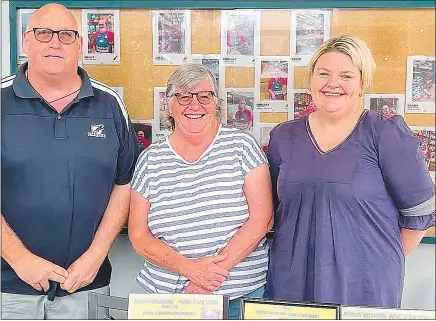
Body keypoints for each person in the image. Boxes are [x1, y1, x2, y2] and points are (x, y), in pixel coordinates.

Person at [265, 35, 435, 308]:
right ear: (311, 79)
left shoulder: (385, 134)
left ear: (362, 83)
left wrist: (378, 261)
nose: (333, 83)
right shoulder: (284, 137)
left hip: (363, 289)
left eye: (346, 75)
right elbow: (270, 209)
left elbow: (420, 213)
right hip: (292, 283)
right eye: (324, 73)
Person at [1, 4, 138, 319]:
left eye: (66, 35)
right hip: (8, 290)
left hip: (86, 287)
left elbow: (125, 183)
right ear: (26, 42)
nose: (54, 43)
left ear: (80, 45)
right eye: (43, 33)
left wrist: (96, 255)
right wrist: (20, 258)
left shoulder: (110, 105)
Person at [129, 63, 273, 320]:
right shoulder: (150, 159)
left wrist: (206, 279)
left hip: (238, 297)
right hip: (169, 302)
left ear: (215, 103)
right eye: (183, 96)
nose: (194, 105)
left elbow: (262, 219)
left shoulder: (242, 145)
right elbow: (138, 236)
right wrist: (189, 269)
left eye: (204, 96)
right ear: (168, 105)